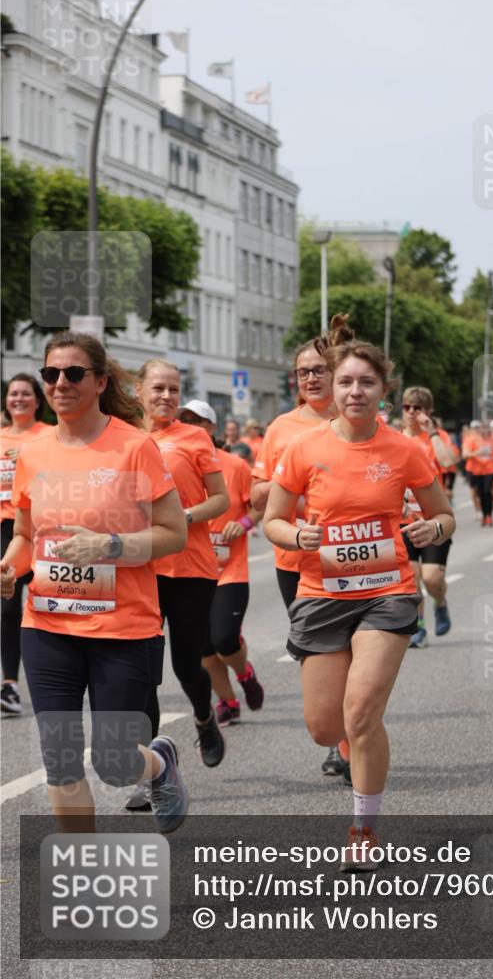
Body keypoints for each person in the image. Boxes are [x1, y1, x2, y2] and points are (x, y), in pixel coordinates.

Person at [263, 316, 455, 869]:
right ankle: (351, 749)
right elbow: (273, 521)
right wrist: (298, 534)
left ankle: (364, 830)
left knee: (362, 713)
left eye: (365, 383)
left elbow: (444, 515)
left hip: (386, 592)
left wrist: (431, 530)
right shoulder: (302, 448)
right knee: (326, 725)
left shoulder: (407, 451)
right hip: (322, 592)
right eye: (345, 382)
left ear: (382, 391)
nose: (353, 391)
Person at [0, 332, 189, 834]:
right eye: (51, 374)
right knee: (60, 759)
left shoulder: (134, 447)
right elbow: (25, 536)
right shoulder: (34, 454)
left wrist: (109, 546)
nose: (60, 383)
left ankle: (159, 763)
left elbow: (175, 533)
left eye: (74, 373)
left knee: (113, 763)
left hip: (122, 630)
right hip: (46, 627)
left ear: (100, 381)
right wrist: (8, 569)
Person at [124, 361, 227, 813]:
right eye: (158, 389)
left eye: (174, 390)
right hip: (138, 569)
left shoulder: (194, 437)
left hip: (189, 566)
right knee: (143, 671)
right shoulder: (122, 435)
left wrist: (181, 518)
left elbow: (221, 500)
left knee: (187, 664)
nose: (166, 397)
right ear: (138, 390)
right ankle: (150, 772)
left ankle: (204, 719)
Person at [250, 333, 347, 778]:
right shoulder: (281, 430)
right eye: (303, 371)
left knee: (353, 654)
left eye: (319, 370)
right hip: (298, 561)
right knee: (319, 656)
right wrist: (292, 480)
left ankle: (349, 742)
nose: (310, 377)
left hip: (357, 559)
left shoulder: (357, 420)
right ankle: (338, 732)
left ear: (337, 373)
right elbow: (256, 499)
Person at [177, 400, 264, 726]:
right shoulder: (170, 463)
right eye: (184, 420)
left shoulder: (236, 467)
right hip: (190, 570)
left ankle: (245, 673)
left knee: (225, 637)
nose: (190, 426)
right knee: (204, 648)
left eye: (197, 421)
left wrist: (243, 524)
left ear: (211, 428)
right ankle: (227, 701)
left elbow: (259, 506)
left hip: (230, 570)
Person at [1, 374, 51, 714]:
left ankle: (58, 674)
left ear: (36, 399)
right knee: (6, 606)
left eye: (25, 393)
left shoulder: (48, 435)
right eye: (13, 393)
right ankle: (9, 685)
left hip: (42, 526)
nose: (18, 398)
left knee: (48, 603)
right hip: (7, 528)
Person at [400, 387, 456, 647]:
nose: (412, 412)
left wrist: (432, 432)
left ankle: (441, 602)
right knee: (411, 577)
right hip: (403, 521)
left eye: (418, 408)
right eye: (407, 407)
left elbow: (447, 462)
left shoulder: (437, 437)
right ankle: (418, 627)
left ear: (428, 412)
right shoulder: (394, 438)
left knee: (432, 577)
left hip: (433, 519)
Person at [462, 420, 493, 526]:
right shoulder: (473, 439)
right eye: (483, 428)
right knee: (481, 493)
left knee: (488, 491)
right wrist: (476, 453)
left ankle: (489, 516)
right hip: (477, 470)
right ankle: (484, 515)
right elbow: (465, 454)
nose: (485, 431)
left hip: (491, 469)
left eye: (487, 428)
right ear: (480, 429)